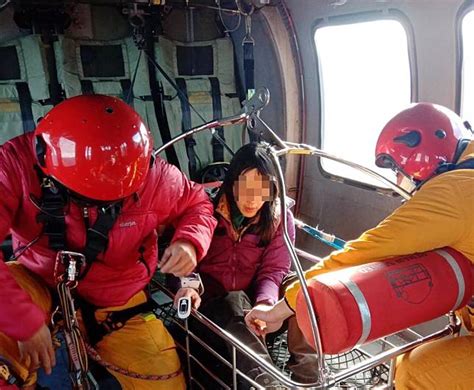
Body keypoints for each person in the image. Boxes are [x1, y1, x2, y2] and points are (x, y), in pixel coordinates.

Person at [245, 103, 474, 389]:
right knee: (406, 362)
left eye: (399, 171)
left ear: (420, 158)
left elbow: (366, 250)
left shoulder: (453, 191)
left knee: (416, 371)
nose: (399, 181)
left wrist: (277, 310)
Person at [0, 94, 217, 389]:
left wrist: (190, 241)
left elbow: (198, 204)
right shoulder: (13, 165)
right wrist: (23, 322)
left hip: (118, 297)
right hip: (37, 283)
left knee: (164, 382)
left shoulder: (154, 176)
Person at [173, 142, 317, 387]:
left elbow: (273, 270)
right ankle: (268, 384)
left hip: (257, 298)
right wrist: (189, 285)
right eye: (245, 187)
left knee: (303, 288)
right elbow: (185, 258)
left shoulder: (280, 218)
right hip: (213, 304)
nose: (252, 199)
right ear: (231, 183)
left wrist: (266, 304)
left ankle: (309, 378)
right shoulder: (205, 210)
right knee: (234, 300)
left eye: (262, 189)